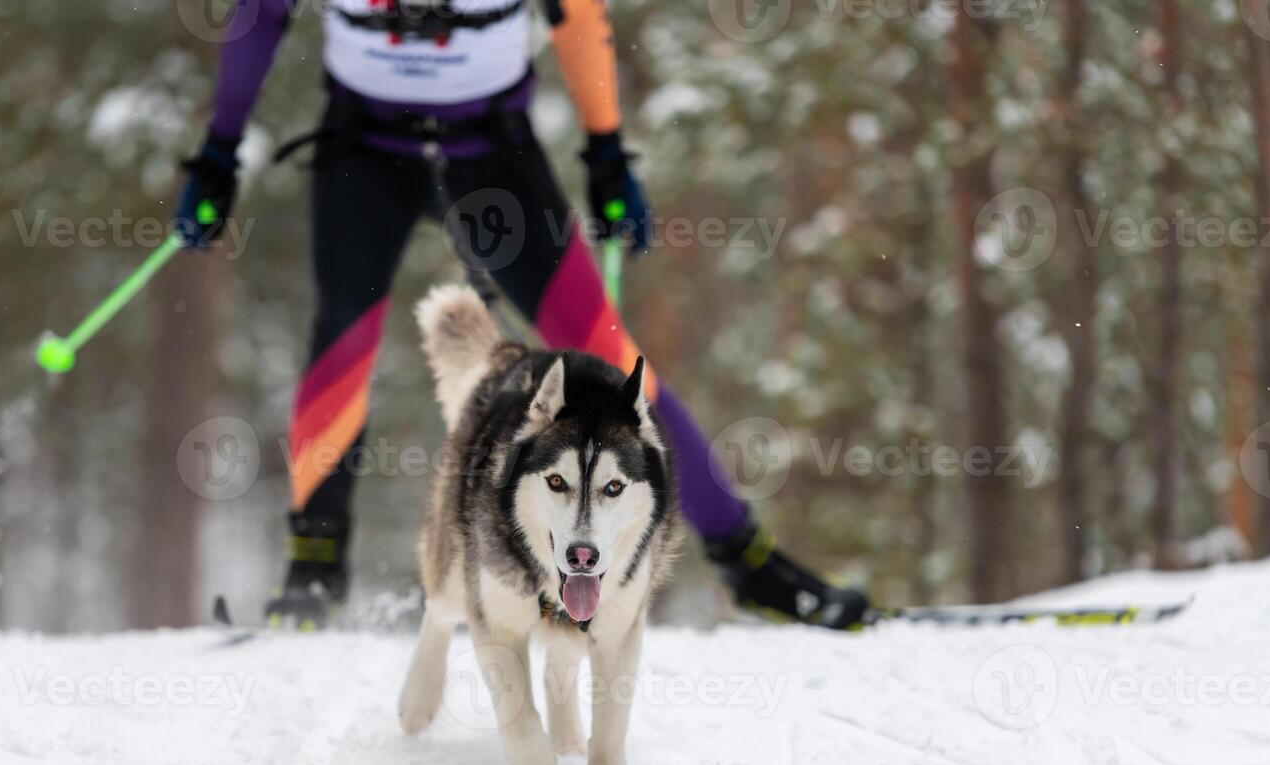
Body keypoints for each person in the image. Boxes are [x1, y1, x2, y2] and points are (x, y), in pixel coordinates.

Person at [174, 0, 870, 629]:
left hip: (490, 152)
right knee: (342, 340)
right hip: (364, 150)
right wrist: (218, 151)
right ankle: (314, 574)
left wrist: (605, 152)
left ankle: (747, 562)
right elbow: (261, 14)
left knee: (606, 354)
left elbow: (577, 17)